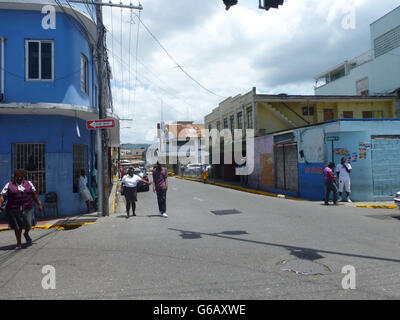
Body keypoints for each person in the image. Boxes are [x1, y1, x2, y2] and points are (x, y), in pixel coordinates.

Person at [0, 170, 43, 250]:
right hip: (13, 209)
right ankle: (19, 243)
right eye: (17, 177)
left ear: (23, 177)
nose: (19, 178)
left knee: (28, 224)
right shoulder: (9, 185)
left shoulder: (29, 183)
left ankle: (26, 234)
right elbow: (2, 197)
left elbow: (34, 195)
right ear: (14, 177)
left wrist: (39, 204)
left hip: (28, 207)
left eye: (20, 177)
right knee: (17, 227)